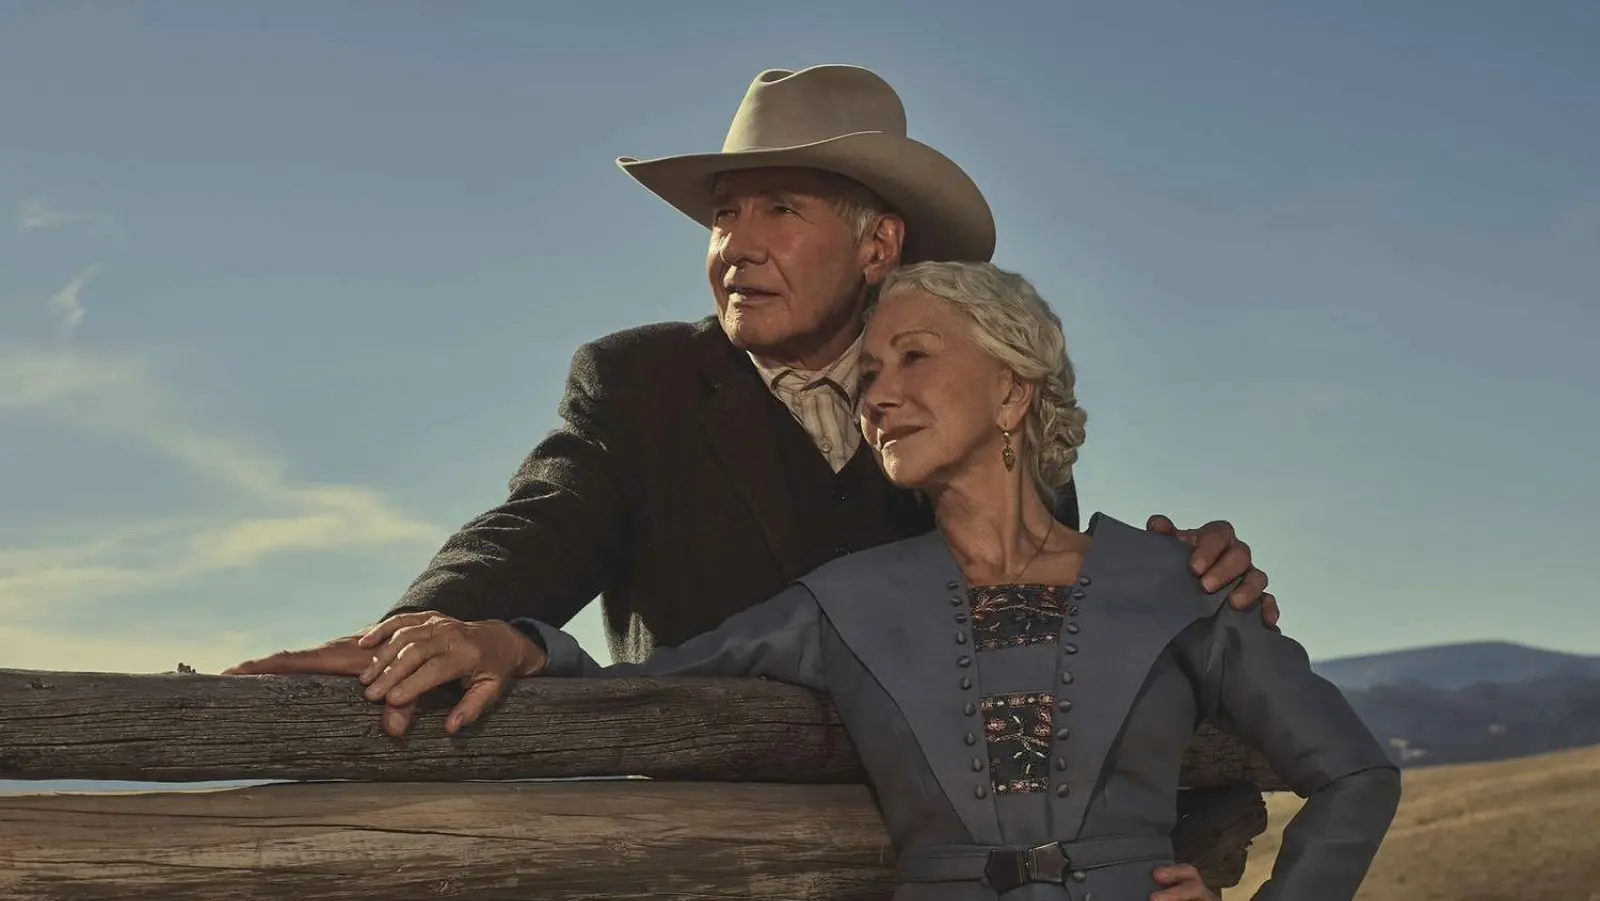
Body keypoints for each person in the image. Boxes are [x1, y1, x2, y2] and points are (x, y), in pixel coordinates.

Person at [227, 65, 1277, 741]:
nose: (737, 246)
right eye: (724, 217)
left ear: (878, 246)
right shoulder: (640, 384)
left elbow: (1039, 612)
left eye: (781, 208)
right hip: (715, 848)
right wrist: (433, 619)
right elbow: (542, 523)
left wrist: (1181, 597)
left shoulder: (971, 393)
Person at [349, 261, 1402, 901]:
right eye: (867, 378)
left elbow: (1353, 772)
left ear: (1011, 389)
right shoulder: (842, 600)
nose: (876, 395)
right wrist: (512, 639)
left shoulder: (1173, 581)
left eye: (912, 360)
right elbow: (656, 685)